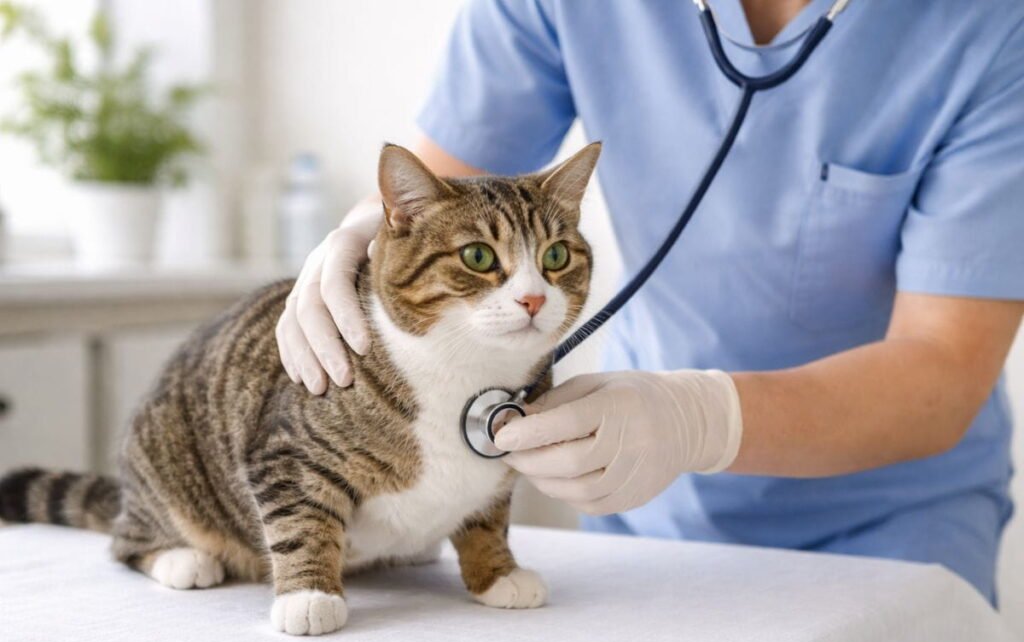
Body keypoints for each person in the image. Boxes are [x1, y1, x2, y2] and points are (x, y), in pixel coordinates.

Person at [276, 0, 1024, 602]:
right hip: (647, 505)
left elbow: (944, 366)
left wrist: (696, 419)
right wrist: (360, 234)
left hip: (890, 520)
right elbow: (443, 195)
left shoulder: (990, 26)